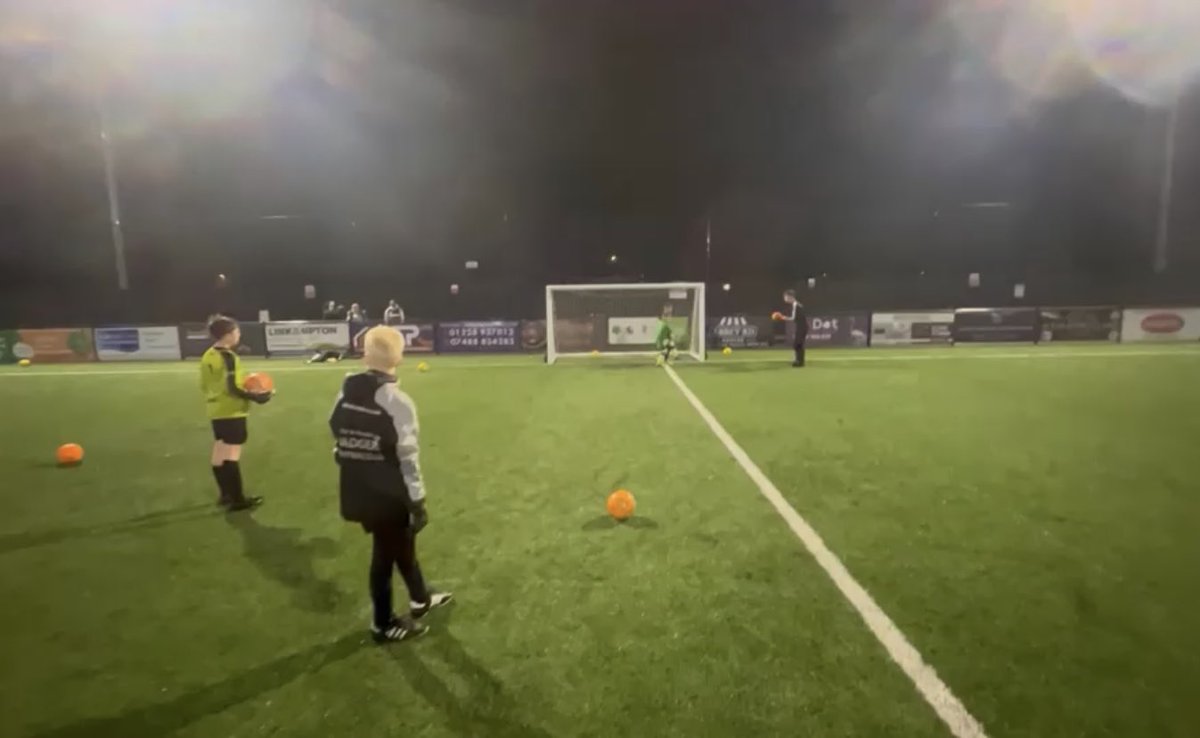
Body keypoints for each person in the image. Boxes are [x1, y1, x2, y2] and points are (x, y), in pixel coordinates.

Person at [329, 326, 452, 642]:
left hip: (355, 487)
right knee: (386, 553)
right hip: (388, 493)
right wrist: (417, 500)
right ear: (400, 356)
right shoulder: (396, 401)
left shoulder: (346, 388)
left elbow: (337, 429)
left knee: (398, 544)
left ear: (364, 353)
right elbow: (407, 456)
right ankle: (383, 623)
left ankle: (420, 599)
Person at [199, 315, 273, 510]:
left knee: (219, 452)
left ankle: (225, 494)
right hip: (232, 411)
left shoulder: (208, 355)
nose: (238, 334)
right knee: (231, 454)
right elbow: (233, 388)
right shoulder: (228, 357)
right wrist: (257, 397)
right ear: (228, 335)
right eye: (236, 331)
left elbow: (206, 384)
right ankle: (238, 499)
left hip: (215, 410)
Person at [776, 289, 808, 367]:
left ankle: (799, 362)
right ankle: (799, 361)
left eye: (785, 297)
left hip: (802, 327)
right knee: (798, 344)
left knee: (797, 344)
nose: (784, 299)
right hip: (801, 326)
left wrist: (783, 317)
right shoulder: (797, 304)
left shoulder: (796, 305)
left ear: (790, 297)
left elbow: (794, 318)